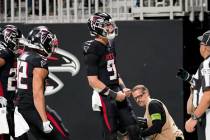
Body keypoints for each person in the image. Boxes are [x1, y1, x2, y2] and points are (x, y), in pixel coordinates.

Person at [83, 12, 139, 140]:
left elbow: (113, 71)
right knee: (111, 133)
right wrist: (114, 94)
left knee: (133, 127)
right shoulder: (93, 48)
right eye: (107, 25)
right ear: (97, 28)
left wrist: (123, 87)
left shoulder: (110, 43)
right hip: (105, 95)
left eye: (110, 24)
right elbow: (92, 81)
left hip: (117, 90)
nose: (111, 28)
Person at [15, 26, 69, 140]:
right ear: (42, 42)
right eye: (49, 42)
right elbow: (37, 94)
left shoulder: (23, 56)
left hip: (20, 108)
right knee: (63, 137)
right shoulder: (39, 61)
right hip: (33, 108)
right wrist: (44, 120)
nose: (52, 46)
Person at [177, 30, 210, 140]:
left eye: (201, 43)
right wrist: (189, 78)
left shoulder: (207, 63)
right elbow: (198, 84)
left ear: (206, 46)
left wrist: (194, 117)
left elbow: (208, 95)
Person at [0, 24, 27, 140]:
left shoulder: (10, 54)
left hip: (9, 105)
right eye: (16, 41)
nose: (18, 44)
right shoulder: (5, 53)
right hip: (3, 105)